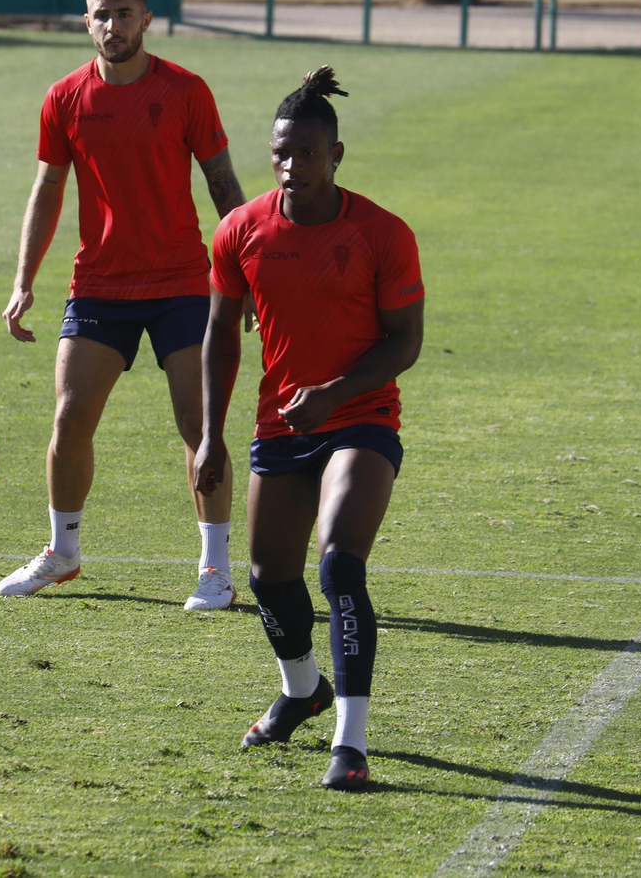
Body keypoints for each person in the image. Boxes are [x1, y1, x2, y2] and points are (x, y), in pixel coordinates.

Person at [194, 67, 425, 791]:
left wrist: (334, 393)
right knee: (269, 578)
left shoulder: (382, 233)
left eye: (307, 153)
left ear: (337, 155)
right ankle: (302, 691)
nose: (292, 166)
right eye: (280, 153)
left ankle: (351, 743)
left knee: (339, 566)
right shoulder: (241, 230)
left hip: (361, 416)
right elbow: (220, 336)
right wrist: (210, 435)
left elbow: (405, 342)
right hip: (282, 425)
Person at [0, 0, 252, 612]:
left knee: (199, 426)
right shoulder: (65, 98)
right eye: (102, 14)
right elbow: (48, 188)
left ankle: (215, 570)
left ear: (147, 20)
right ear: (87, 21)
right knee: (69, 418)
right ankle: (63, 551)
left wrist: (250, 273)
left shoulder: (186, 91)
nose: (114, 25)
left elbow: (223, 185)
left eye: (126, 13)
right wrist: (24, 280)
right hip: (100, 284)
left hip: (181, 283)